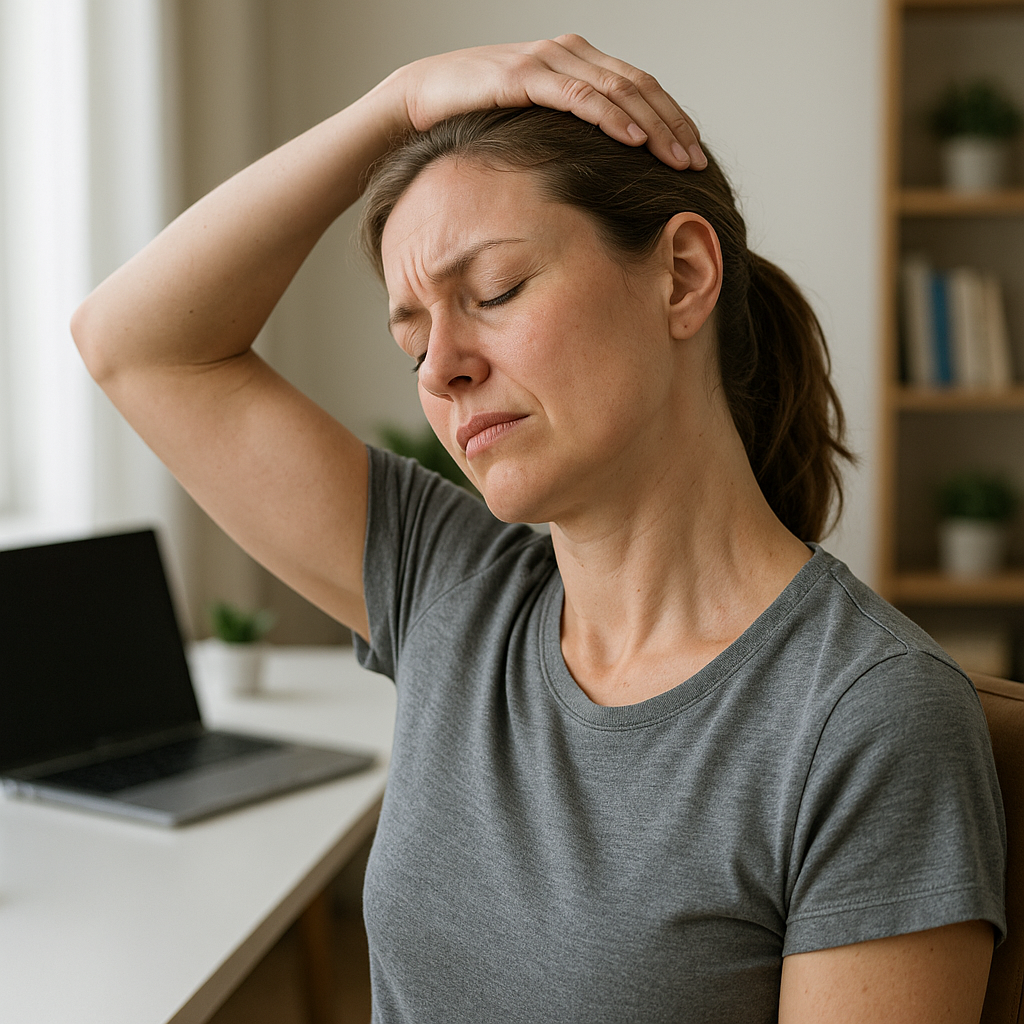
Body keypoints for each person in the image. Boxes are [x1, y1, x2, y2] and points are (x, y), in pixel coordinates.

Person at [71, 35, 1005, 1023]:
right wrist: (395, 102)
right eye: (414, 334)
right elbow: (134, 342)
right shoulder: (450, 590)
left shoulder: (867, 719)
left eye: (494, 293)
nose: (441, 368)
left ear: (683, 276)